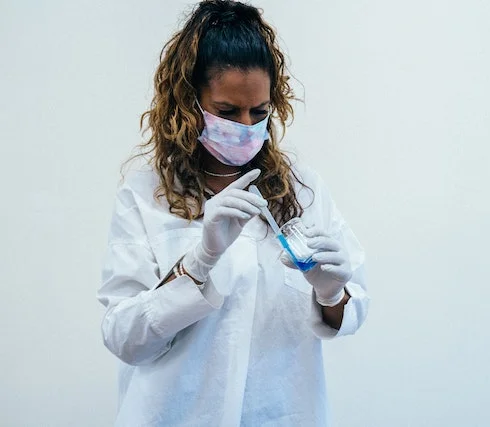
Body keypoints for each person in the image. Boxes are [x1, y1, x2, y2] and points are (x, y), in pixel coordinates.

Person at [97, 1, 369, 426]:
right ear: (189, 103)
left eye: (258, 113)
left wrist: (332, 293)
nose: (245, 126)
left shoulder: (304, 189)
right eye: (227, 112)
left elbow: (350, 313)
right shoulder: (146, 195)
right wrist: (198, 262)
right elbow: (125, 339)